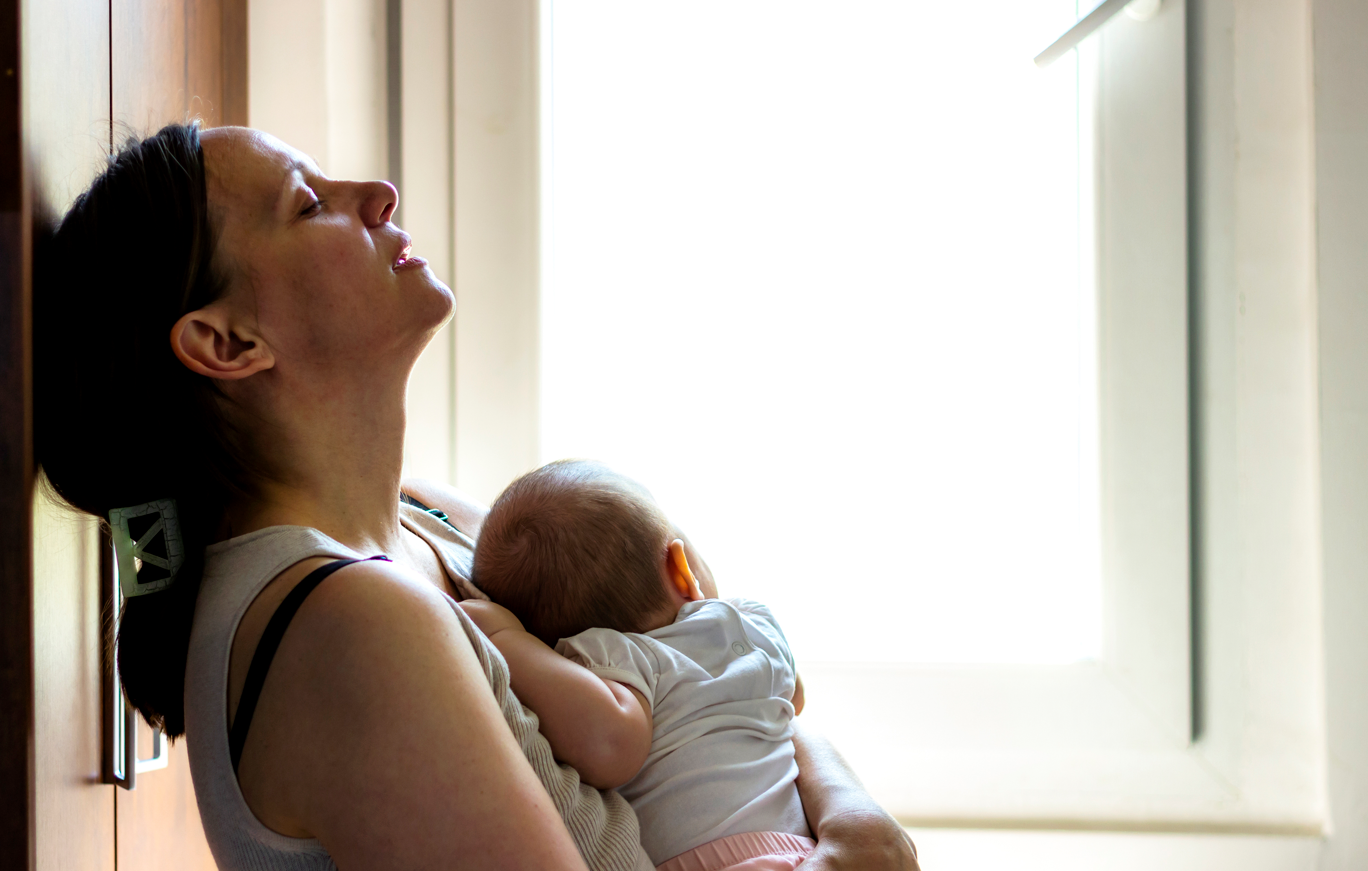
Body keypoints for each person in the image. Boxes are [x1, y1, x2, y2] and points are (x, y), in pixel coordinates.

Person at [32, 121, 919, 871]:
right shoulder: (348, 622)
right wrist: (853, 825)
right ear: (227, 343)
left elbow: (715, 678)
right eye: (308, 203)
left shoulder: (434, 522)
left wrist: (856, 818)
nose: (376, 192)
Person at [466, 460, 814, 871]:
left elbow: (610, 748)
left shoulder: (615, 660)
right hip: (802, 845)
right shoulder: (751, 622)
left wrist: (506, 640)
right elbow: (795, 696)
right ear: (682, 571)